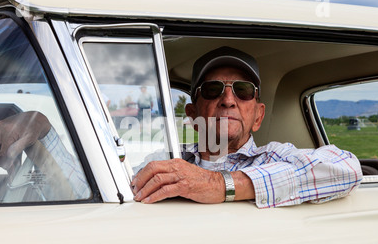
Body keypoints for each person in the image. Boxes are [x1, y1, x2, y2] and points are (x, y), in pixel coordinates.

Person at [130, 47, 363, 208]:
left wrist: (220, 184)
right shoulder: (168, 160)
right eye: (213, 89)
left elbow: (346, 167)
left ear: (258, 116)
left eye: (243, 90)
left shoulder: (273, 157)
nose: (229, 100)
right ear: (192, 115)